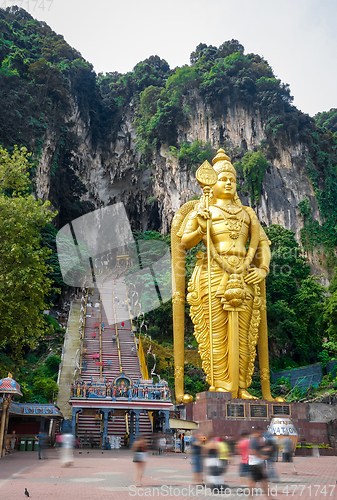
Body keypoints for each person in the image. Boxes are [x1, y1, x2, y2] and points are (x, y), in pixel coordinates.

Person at [173, 149, 280, 401]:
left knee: (245, 334)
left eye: (232, 179)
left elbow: (263, 245)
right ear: (212, 183)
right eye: (223, 179)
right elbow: (184, 242)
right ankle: (221, 384)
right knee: (216, 331)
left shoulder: (247, 213)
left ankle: (241, 386)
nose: (229, 183)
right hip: (212, 273)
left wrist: (262, 269)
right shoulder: (203, 210)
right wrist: (201, 226)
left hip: (244, 275)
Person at [248, 427, 269, 498]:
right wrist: (262, 456)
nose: (261, 434)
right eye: (259, 433)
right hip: (255, 464)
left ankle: (269, 498)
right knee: (254, 482)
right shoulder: (254, 440)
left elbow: (257, 450)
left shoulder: (257, 440)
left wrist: (264, 450)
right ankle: (250, 498)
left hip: (258, 463)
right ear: (256, 432)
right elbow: (252, 452)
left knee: (262, 481)